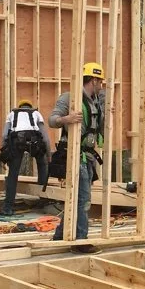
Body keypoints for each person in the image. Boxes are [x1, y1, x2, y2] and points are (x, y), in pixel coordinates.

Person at [48, 62, 106, 251]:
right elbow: (52, 120)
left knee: (76, 199)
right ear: (94, 79)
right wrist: (67, 119)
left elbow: (99, 124)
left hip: (88, 157)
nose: (102, 85)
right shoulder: (70, 98)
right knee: (83, 200)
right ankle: (80, 241)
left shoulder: (96, 99)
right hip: (75, 155)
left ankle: (60, 236)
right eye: (100, 81)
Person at [0, 99, 51, 216]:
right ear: (30, 106)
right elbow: (45, 137)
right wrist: (48, 156)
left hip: (17, 140)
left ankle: (7, 207)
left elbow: (4, 135)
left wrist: (4, 157)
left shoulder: (12, 114)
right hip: (34, 140)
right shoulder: (36, 113)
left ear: (20, 106)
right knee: (42, 165)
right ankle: (43, 200)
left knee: (13, 174)